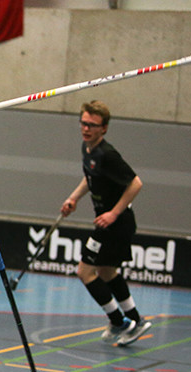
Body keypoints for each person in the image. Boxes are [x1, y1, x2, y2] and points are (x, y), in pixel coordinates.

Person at [60, 100, 151, 347]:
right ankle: (135, 320)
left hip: (115, 224)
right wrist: (73, 198)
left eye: (92, 125)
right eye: (83, 123)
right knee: (107, 272)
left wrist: (113, 213)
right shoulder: (88, 149)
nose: (86, 128)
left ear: (104, 128)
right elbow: (90, 177)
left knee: (85, 271)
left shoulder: (108, 154)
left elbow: (136, 184)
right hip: (108, 222)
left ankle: (119, 321)